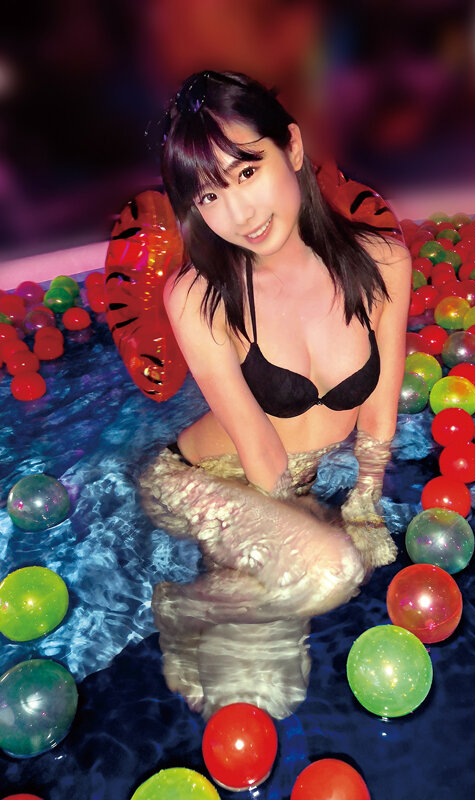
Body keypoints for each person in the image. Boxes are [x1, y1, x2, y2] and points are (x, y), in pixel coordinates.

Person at [138, 70, 412, 720]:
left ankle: (213, 599)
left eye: (246, 171)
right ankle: (184, 605)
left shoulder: (385, 262)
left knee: (275, 697)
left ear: (291, 147)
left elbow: (381, 403)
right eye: (209, 195)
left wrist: (366, 498)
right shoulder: (200, 296)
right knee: (330, 572)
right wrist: (310, 527)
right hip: (201, 480)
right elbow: (257, 446)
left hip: (294, 478)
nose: (239, 215)